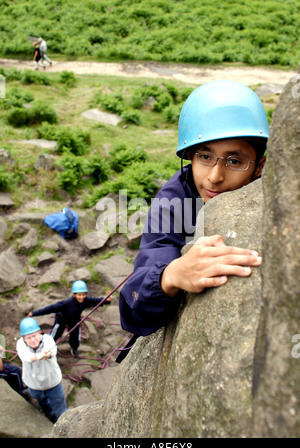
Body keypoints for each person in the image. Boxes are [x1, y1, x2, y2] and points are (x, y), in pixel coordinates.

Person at [119, 80, 269, 339]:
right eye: (205, 156)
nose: (214, 177)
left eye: (234, 161)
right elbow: (132, 307)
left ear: (259, 167)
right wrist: (170, 275)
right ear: (190, 156)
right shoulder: (172, 202)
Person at [28, 280, 111, 357]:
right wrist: (34, 313)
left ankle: (74, 348)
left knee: (75, 339)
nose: (81, 297)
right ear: (74, 295)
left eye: (83, 294)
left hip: (74, 320)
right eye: (79, 295)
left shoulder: (86, 300)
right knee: (54, 336)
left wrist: (106, 300)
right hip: (61, 320)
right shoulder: (66, 303)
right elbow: (50, 308)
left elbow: (96, 301)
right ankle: (45, 349)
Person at [16, 317, 67, 423]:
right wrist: (38, 356)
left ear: (39, 333)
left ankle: (62, 423)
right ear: (24, 338)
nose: (32, 340)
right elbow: (25, 356)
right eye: (28, 338)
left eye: (34, 336)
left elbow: (52, 351)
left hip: (52, 383)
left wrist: (47, 354)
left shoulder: (48, 340)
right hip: (34, 385)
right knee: (41, 401)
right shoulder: (20, 344)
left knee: (60, 406)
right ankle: (49, 414)